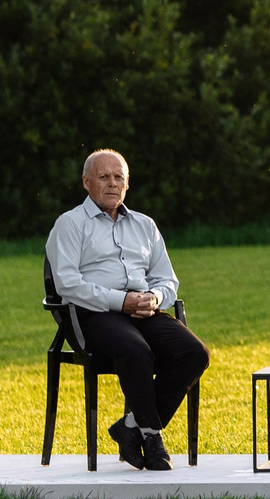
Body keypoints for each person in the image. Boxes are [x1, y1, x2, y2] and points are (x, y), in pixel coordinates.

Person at [44, 149, 209, 471]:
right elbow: (66, 283)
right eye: (104, 177)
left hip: (142, 309)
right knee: (136, 351)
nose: (112, 184)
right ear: (86, 182)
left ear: (127, 183)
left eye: (119, 177)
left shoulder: (145, 225)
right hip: (94, 313)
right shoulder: (70, 224)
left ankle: (130, 426)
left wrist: (154, 298)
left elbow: (167, 278)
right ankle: (151, 436)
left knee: (194, 353)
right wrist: (120, 301)